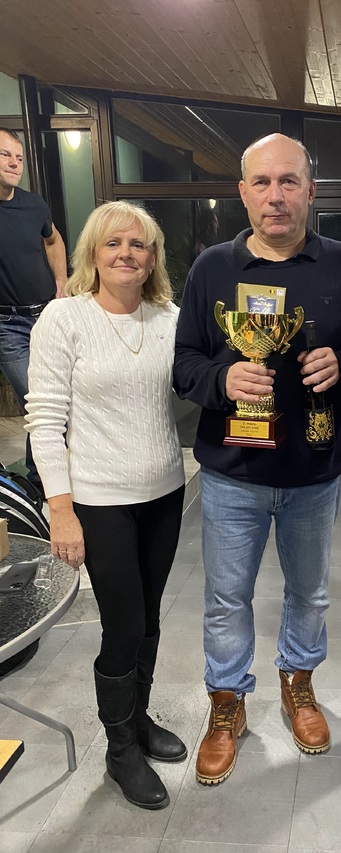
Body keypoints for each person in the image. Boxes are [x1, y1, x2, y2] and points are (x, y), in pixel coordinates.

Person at [174, 133, 341, 786]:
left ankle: (298, 682)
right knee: (226, 598)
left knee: (310, 592)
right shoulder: (211, 268)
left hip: (314, 471)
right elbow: (184, 363)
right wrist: (222, 380)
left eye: (289, 181)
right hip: (232, 474)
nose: (276, 195)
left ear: (311, 190)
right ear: (243, 192)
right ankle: (227, 701)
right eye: (262, 182)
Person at [24, 201, 186, 810]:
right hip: (97, 499)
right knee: (123, 625)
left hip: (165, 492)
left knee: (150, 617)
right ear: (92, 252)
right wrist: (60, 509)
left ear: (153, 257)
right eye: (113, 242)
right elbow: (45, 420)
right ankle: (120, 751)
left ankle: (138, 720)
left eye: (139, 244)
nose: (126, 253)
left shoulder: (170, 318)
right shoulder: (64, 318)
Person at [0, 127, 67, 487]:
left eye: (19, 157)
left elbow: (53, 239)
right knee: (38, 401)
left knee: (53, 400)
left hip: (45, 315)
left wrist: (62, 282)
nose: (14, 163)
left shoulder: (33, 204)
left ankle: (39, 474)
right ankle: (44, 482)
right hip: (7, 325)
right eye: (4, 155)